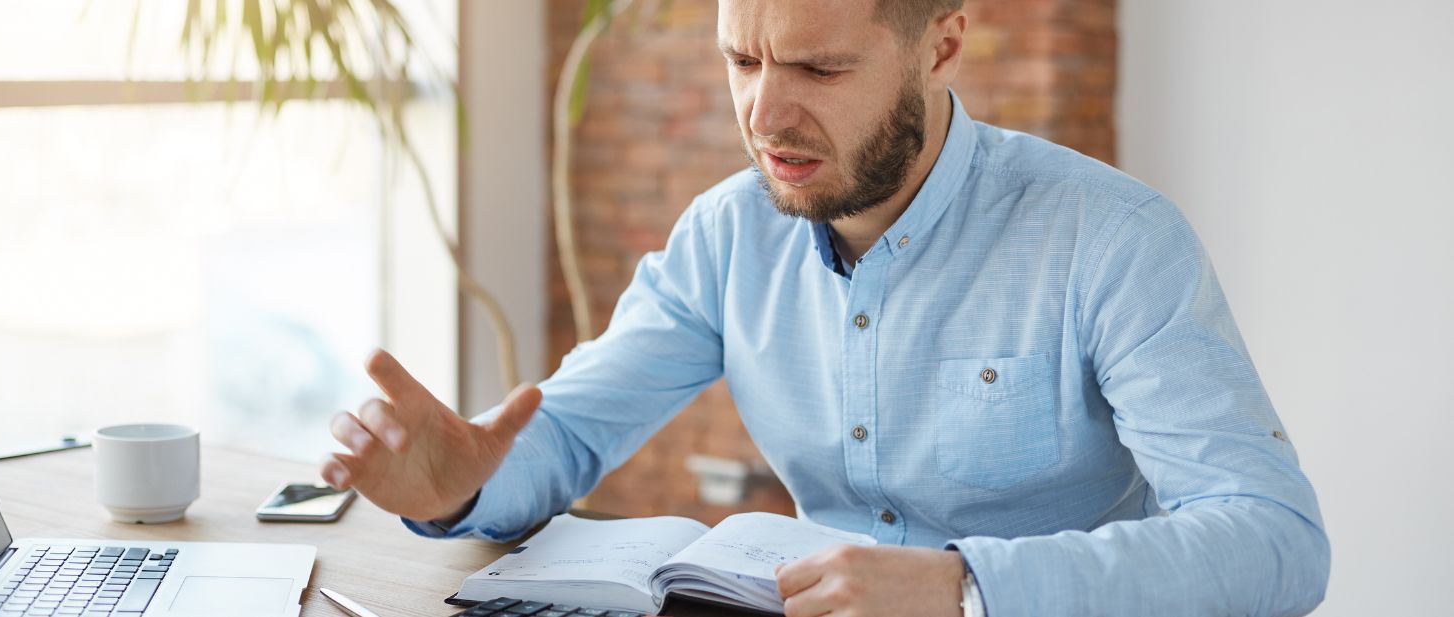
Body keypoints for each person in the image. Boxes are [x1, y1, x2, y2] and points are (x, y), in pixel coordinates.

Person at [321, 0, 1330, 614]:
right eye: (743, 60)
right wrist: (463, 482)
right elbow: (573, 426)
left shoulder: (1110, 238)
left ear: (941, 48)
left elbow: (1273, 538)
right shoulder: (727, 235)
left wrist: (965, 588)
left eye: (820, 66)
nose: (764, 114)